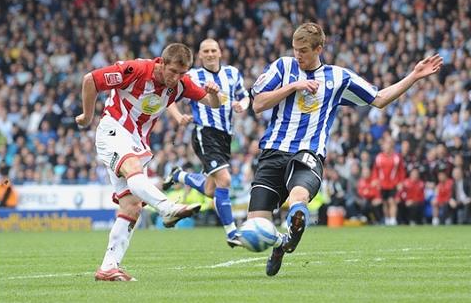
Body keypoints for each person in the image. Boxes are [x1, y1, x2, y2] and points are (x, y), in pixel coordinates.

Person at [241, 22, 443, 276]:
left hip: (308, 153)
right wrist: (293, 87)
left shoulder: (338, 77)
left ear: (319, 49)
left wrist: (413, 76)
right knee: (255, 226)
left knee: (298, 197)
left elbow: (379, 99)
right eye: (295, 49)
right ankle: (283, 243)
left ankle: (296, 219)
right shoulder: (283, 67)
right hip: (272, 152)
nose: (298, 55)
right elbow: (258, 103)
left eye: (303, 50)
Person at [75, 43, 221, 281]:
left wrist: (214, 92)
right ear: (161, 63)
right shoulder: (136, 69)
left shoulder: (181, 84)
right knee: (133, 170)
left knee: (132, 206)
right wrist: (87, 116)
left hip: (137, 141)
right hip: (113, 129)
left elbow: (213, 104)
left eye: (182, 73)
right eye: (173, 71)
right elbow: (91, 80)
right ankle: (168, 208)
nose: (176, 78)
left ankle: (109, 267)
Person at [163, 39, 250, 247]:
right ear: (200, 56)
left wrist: (242, 105)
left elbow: (245, 96)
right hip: (205, 132)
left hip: (225, 136)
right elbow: (168, 97)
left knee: (212, 190)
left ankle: (179, 175)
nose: (210, 54)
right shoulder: (192, 76)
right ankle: (232, 233)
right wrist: (178, 117)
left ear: (220, 52)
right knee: (225, 180)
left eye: (213, 50)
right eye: (205, 51)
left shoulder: (232, 73)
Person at [372, 137, 406, 225]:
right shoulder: (379, 157)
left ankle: (393, 219)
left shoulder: (396, 157)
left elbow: (401, 171)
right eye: (385, 147)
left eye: (388, 147)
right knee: (384, 202)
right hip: (382, 184)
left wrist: (401, 182)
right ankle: (387, 219)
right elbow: (375, 170)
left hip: (393, 183)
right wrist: (375, 180)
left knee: (392, 201)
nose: (386, 149)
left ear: (391, 147)